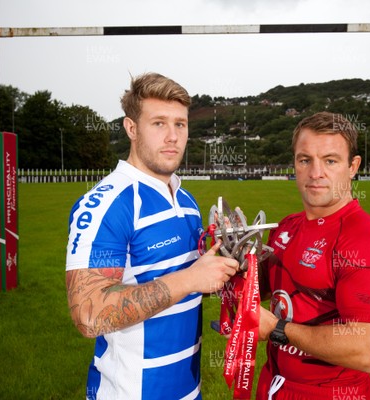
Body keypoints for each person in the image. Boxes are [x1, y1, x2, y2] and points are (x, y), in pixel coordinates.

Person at [65, 72, 239, 400]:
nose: (172, 136)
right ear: (132, 128)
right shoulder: (108, 203)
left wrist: (225, 272)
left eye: (180, 124)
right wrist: (190, 279)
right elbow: (89, 314)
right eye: (159, 123)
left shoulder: (185, 200)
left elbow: (190, 283)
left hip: (188, 390)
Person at [256, 112, 370, 400]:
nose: (315, 173)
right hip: (275, 382)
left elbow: (366, 351)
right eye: (304, 159)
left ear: (353, 166)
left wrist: (277, 329)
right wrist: (229, 262)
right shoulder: (286, 226)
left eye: (330, 161)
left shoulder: (365, 242)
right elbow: (262, 290)